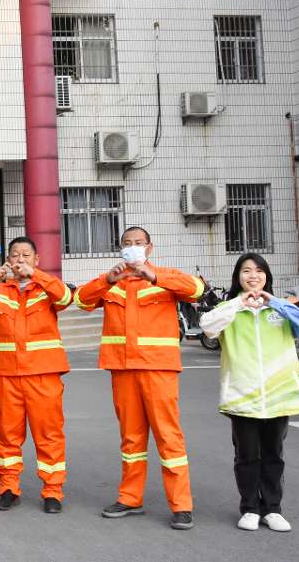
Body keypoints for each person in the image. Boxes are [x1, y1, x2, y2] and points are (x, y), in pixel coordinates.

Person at [75, 226, 204, 531]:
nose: (132, 247)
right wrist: (108, 280)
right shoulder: (112, 281)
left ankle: (181, 505)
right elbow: (81, 300)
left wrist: (154, 276)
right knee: (131, 439)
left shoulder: (165, 276)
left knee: (168, 436)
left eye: (138, 243)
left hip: (158, 369)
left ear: (149, 247)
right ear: (120, 248)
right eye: (127, 243)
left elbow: (196, 290)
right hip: (123, 370)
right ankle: (130, 498)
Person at [200, 253, 299, 532]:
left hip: (279, 395)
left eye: (259, 271)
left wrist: (273, 301)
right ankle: (250, 508)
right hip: (243, 396)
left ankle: (272, 509)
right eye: (247, 270)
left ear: (267, 276)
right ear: (238, 276)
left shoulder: (281, 308)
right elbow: (208, 327)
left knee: (274, 455)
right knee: (247, 456)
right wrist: (239, 302)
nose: (253, 276)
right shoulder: (229, 309)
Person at [0, 236, 73, 513]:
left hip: (43, 373)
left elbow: (65, 298)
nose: (20, 259)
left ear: (36, 260)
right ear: (8, 259)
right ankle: (8, 488)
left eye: (26, 255)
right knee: (7, 435)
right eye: (15, 254)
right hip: (8, 375)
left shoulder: (46, 287)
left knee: (49, 434)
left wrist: (36, 275)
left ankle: (52, 491)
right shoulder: (0, 289)